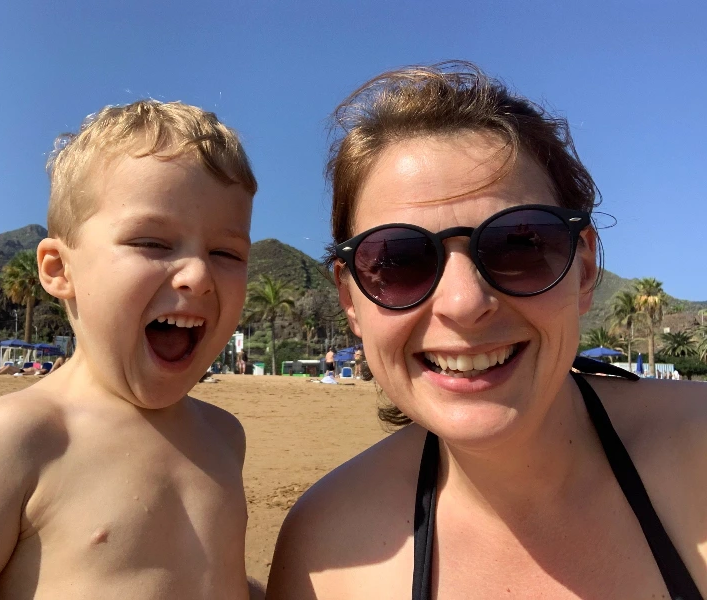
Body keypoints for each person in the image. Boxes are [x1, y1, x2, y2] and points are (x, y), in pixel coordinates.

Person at [267, 63, 707, 599]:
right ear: (350, 297)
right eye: (399, 260)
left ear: (585, 268)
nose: (463, 302)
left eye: (520, 245)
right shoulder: (328, 554)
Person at [0, 99, 261, 599]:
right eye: (153, 244)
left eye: (226, 253)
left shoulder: (226, 437)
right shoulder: (19, 438)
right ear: (59, 269)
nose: (199, 276)